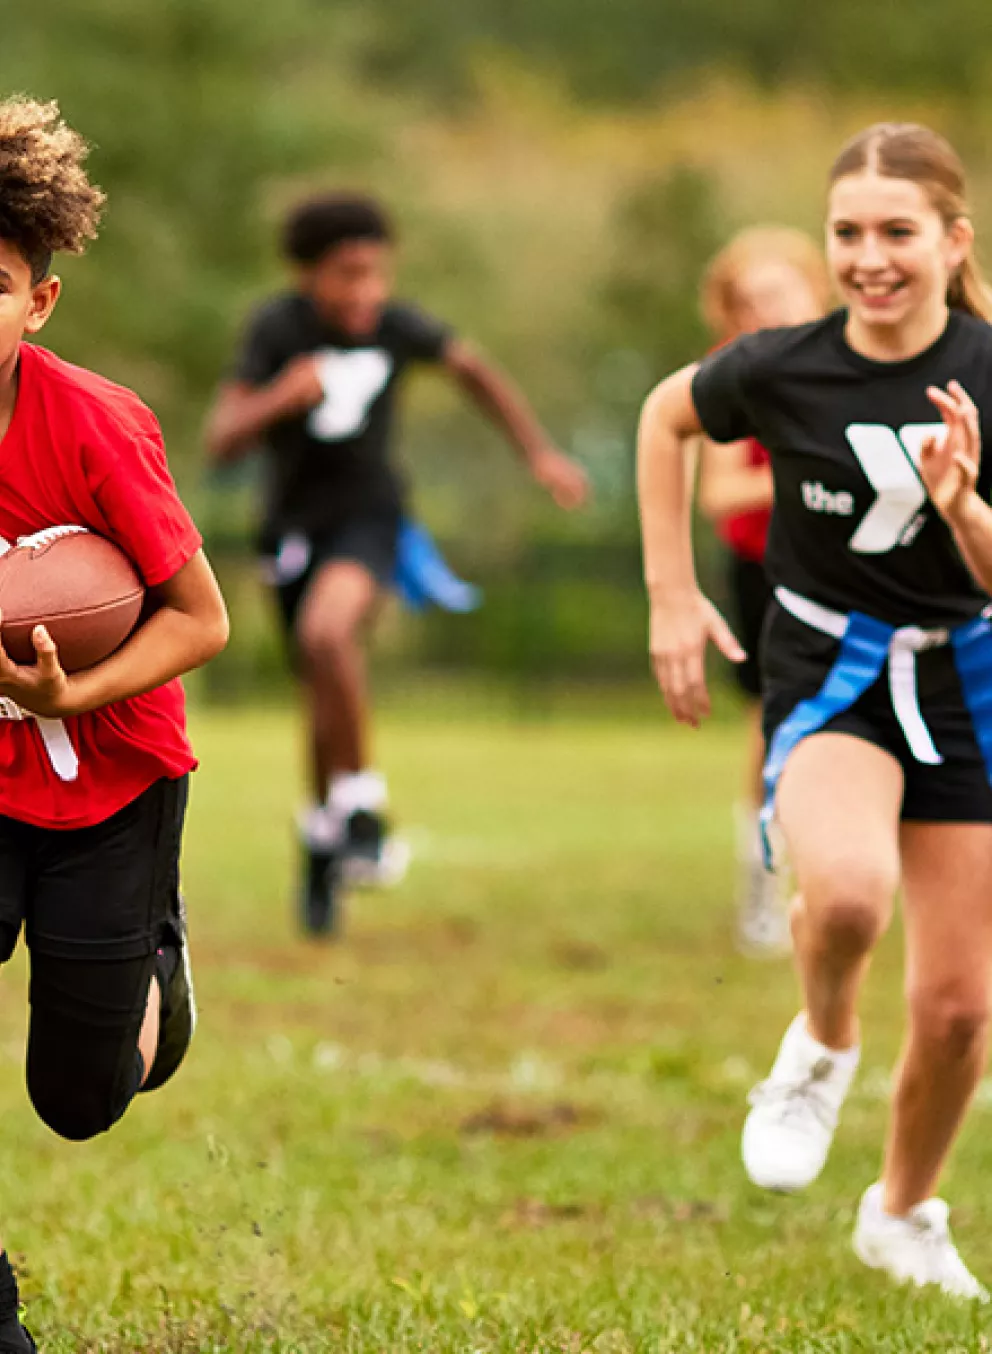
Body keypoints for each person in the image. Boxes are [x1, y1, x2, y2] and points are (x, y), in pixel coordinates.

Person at [638, 121, 992, 1299]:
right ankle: (822, 1040)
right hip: (829, 668)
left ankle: (899, 1211)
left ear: (951, 240)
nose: (868, 257)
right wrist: (672, 594)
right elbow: (661, 416)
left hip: (968, 679)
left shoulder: (988, 372)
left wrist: (962, 510)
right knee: (843, 894)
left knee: (955, 1011)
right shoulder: (783, 363)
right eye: (847, 232)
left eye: (896, 232)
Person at [0, 98, 229, 1350]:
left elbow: (202, 619)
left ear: (37, 303)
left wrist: (66, 691)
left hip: (108, 771)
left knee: (80, 1100)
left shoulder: (92, 421)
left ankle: (155, 963)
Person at [205, 193, 588, 934]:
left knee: (329, 636)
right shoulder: (276, 329)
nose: (366, 293)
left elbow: (476, 372)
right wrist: (282, 397)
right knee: (320, 689)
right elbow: (222, 437)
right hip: (291, 531)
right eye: (348, 275)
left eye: (377, 274)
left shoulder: (398, 327)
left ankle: (362, 807)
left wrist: (538, 452)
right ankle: (326, 837)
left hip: (372, 520)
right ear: (307, 275)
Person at [697, 228, 830, 954]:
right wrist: (822, 466)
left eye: (777, 293)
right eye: (747, 302)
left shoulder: (860, 363)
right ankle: (763, 875)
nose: (765, 312)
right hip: (767, 571)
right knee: (772, 723)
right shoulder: (731, 379)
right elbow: (720, 493)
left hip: (853, 566)